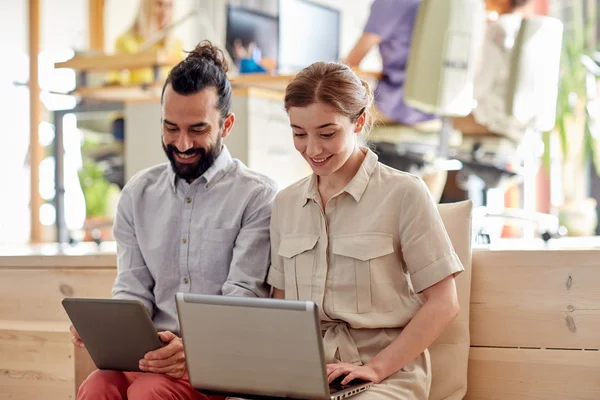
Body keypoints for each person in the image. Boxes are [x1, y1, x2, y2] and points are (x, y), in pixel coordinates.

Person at [71, 41, 278, 400]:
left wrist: (192, 350)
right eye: (171, 128)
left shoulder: (257, 197)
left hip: (217, 362)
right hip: (148, 357)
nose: (182, 143)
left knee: (149, 392)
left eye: (197, 129)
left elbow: (242, 301)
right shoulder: (137, 194)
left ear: (226, 125)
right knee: (97, 386)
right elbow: (132, 288)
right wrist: (105, 327)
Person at [268, 62, 463, 399]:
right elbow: (281, 307)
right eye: (299, 134)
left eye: (327, 134)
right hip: (309, 373)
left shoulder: (404, 194)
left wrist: (375, 369)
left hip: (385, 374)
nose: (312, 150)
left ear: (358, 122)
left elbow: (444, 303)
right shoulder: (285, 204)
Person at [344, 0, 436, 127]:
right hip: (433, 108)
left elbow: (350, 64)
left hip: (397, 105)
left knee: (336, 111)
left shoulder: (389, 2)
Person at [453, 0, 533, 142]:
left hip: (490, 127)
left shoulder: (500, 30)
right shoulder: (521, 29)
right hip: (513, 133)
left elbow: (475, 88)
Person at [107, 0, 184, 86]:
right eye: (159, 4)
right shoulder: (125, 42)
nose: (165, 12)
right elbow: (117, 82)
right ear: (146, 6)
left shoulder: (176, 44)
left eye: (169, 6)